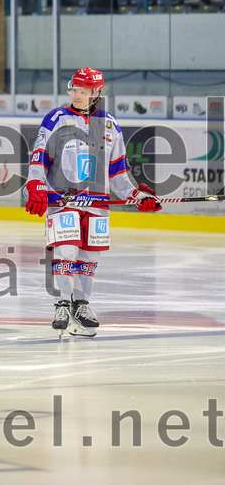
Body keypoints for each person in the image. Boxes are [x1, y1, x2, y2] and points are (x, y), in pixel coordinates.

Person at [25, 68, 161, 337]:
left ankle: (82, 304)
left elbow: (118, 173)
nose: (76, 95)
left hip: (97, 203)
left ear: (97, 93)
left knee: (89, 258)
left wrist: (137, 196)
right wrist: (36, 185)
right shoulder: (57, 118)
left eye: (84, 91)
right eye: (74, 89)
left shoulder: (109, 125)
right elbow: (39, 158)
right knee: (66, 252)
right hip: (63, 200)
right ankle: (62, 304)